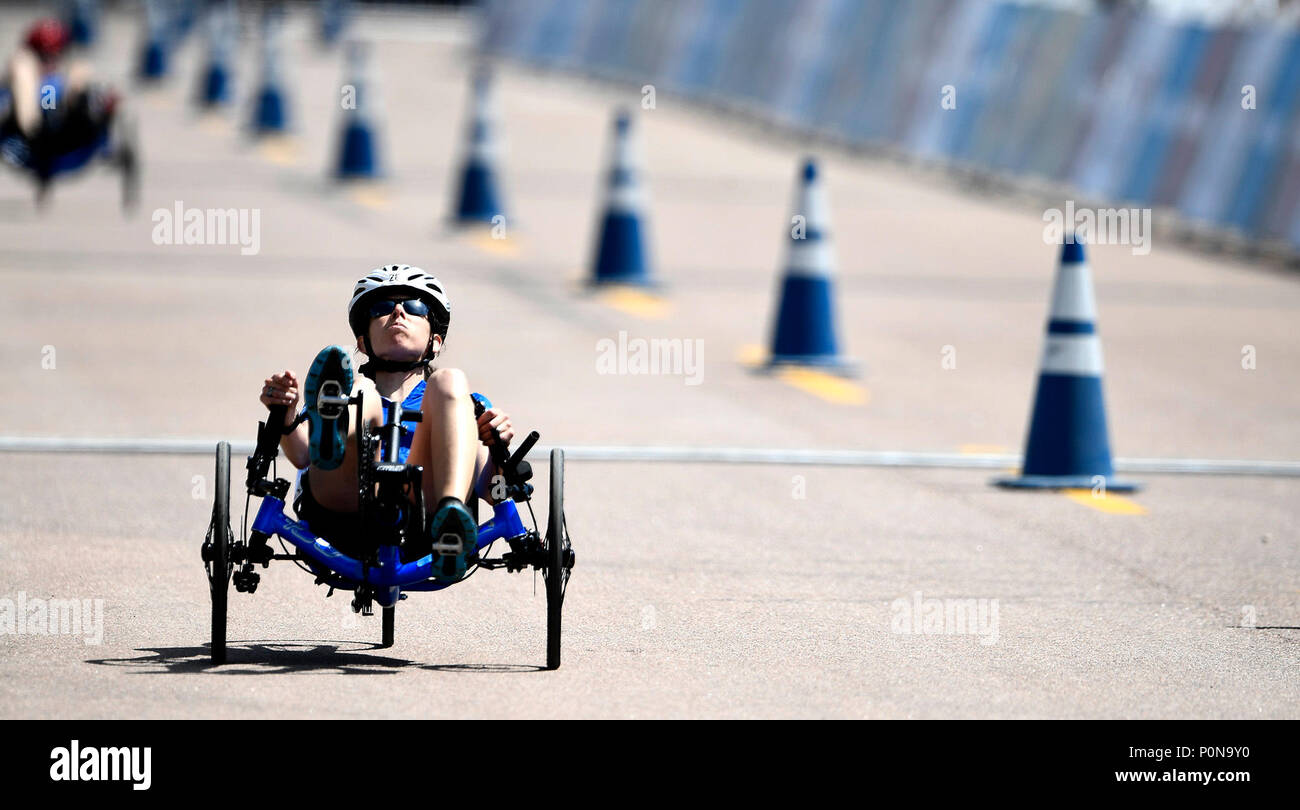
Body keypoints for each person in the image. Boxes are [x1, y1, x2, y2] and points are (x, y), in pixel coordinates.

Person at [258, 264, 513, 582]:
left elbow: (493, 492)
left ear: (435, 341)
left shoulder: (464, 402)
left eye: (413, 307)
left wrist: (497, 445)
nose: (397, 312)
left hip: (426, 520)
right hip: (345, 514)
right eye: (382, 307)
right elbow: (300, 455)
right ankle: (337, 432)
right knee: (361, 393)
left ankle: (451, 520)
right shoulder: (340, 390)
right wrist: (286, 413)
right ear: (363, 343)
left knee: (449, 381)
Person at [0, 17, 134, 200]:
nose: (47, 60)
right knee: (21, 67)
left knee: (82, 72)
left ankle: (96, 135)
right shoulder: (23, 69)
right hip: (24, 137)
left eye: (53, 54)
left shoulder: (71, 71)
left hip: (69, 133)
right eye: (41, 54)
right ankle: (37, 129)